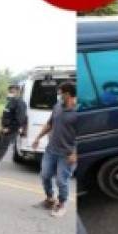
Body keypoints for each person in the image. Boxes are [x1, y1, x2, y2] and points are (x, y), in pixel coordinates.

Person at [32, 81, 77, 217]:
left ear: (67, 94)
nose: (58, 95)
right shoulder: (57, 106)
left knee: (61, 180)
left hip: (67, 153)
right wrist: (38, 137)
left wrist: (76, 153)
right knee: (45, 175)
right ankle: (50, 199)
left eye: (60, 93)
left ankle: (61, 204)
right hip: (51, 150)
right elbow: (50, 124)